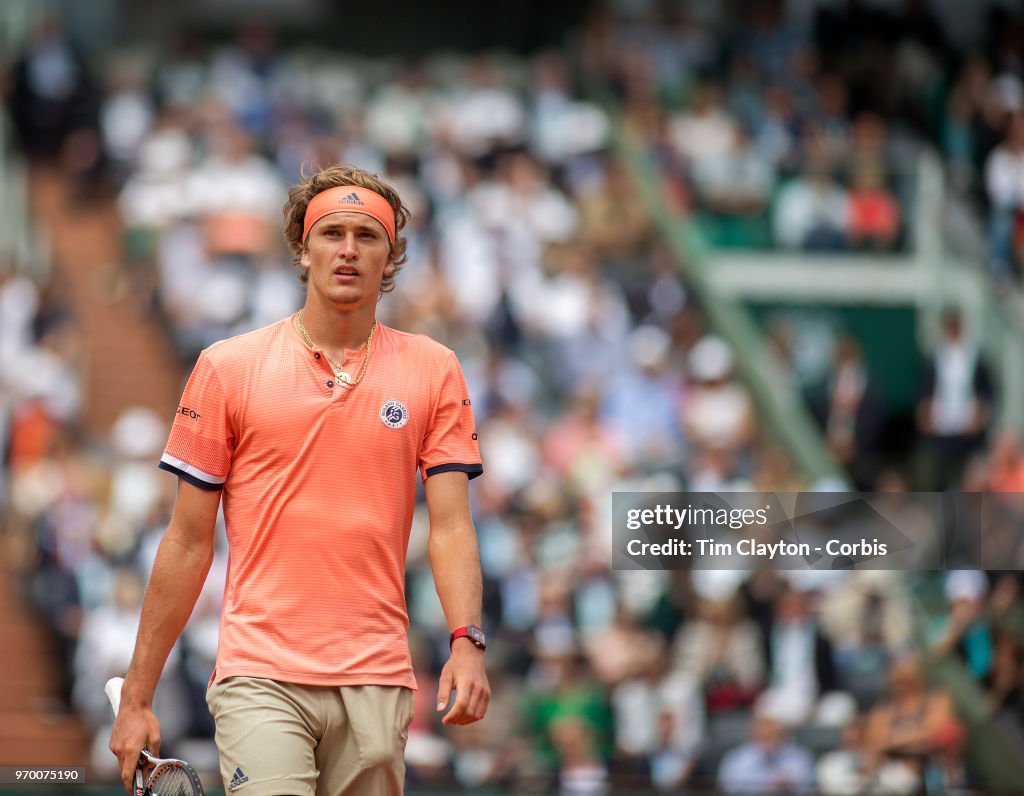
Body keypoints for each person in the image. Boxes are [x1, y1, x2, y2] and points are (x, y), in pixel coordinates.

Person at [108, 163, 490, 795]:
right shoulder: (226, 368)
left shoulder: (435, 368)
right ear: (302, 249)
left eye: (366, 236)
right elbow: (186, 541)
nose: (347, 250)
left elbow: (451, 524)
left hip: (379, 676)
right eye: (331, 233)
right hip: (258, 672)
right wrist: (137, 695)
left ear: (390, 255)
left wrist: (467, 642)